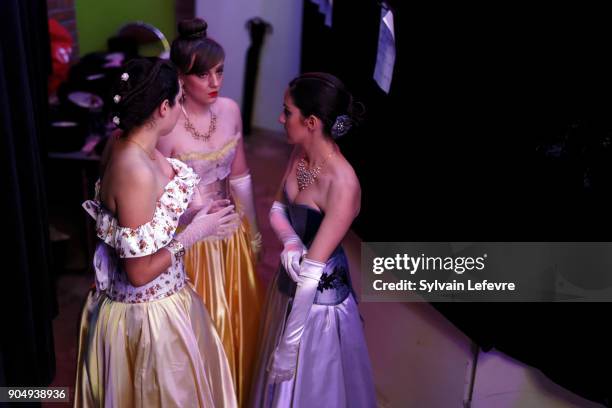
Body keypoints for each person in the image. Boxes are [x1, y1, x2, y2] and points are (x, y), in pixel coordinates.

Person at [74, 57, 239, 407]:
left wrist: (196, 212)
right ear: (163, 107)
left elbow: (151, 220)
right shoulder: (134, 169)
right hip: (147, 320)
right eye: (179, 100)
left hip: (171, 303)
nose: (182, 109)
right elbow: (138, 272)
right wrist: (197, 232)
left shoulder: (129, 143)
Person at [249, 72, 376, 407]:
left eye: (286, 111)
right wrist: (291, 242)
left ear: (311, 122)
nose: (280, 118)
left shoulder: (343, 184)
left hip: (317, 308)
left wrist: (289, 349)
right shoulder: (300, 155)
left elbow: (312, 271)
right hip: (288, 286)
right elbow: (277, 209)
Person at [156, 18, 263, 405]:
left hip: (229, 237)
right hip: (190, 241)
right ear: (182, 78)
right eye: (203, 74)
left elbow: (241, 178)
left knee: (234, 325)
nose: (214, 82)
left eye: (219, 71)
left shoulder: (231, 110)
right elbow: (158, 197)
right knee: (197, 336)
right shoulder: (166, 126)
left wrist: (252, 234)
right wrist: (191, 222)